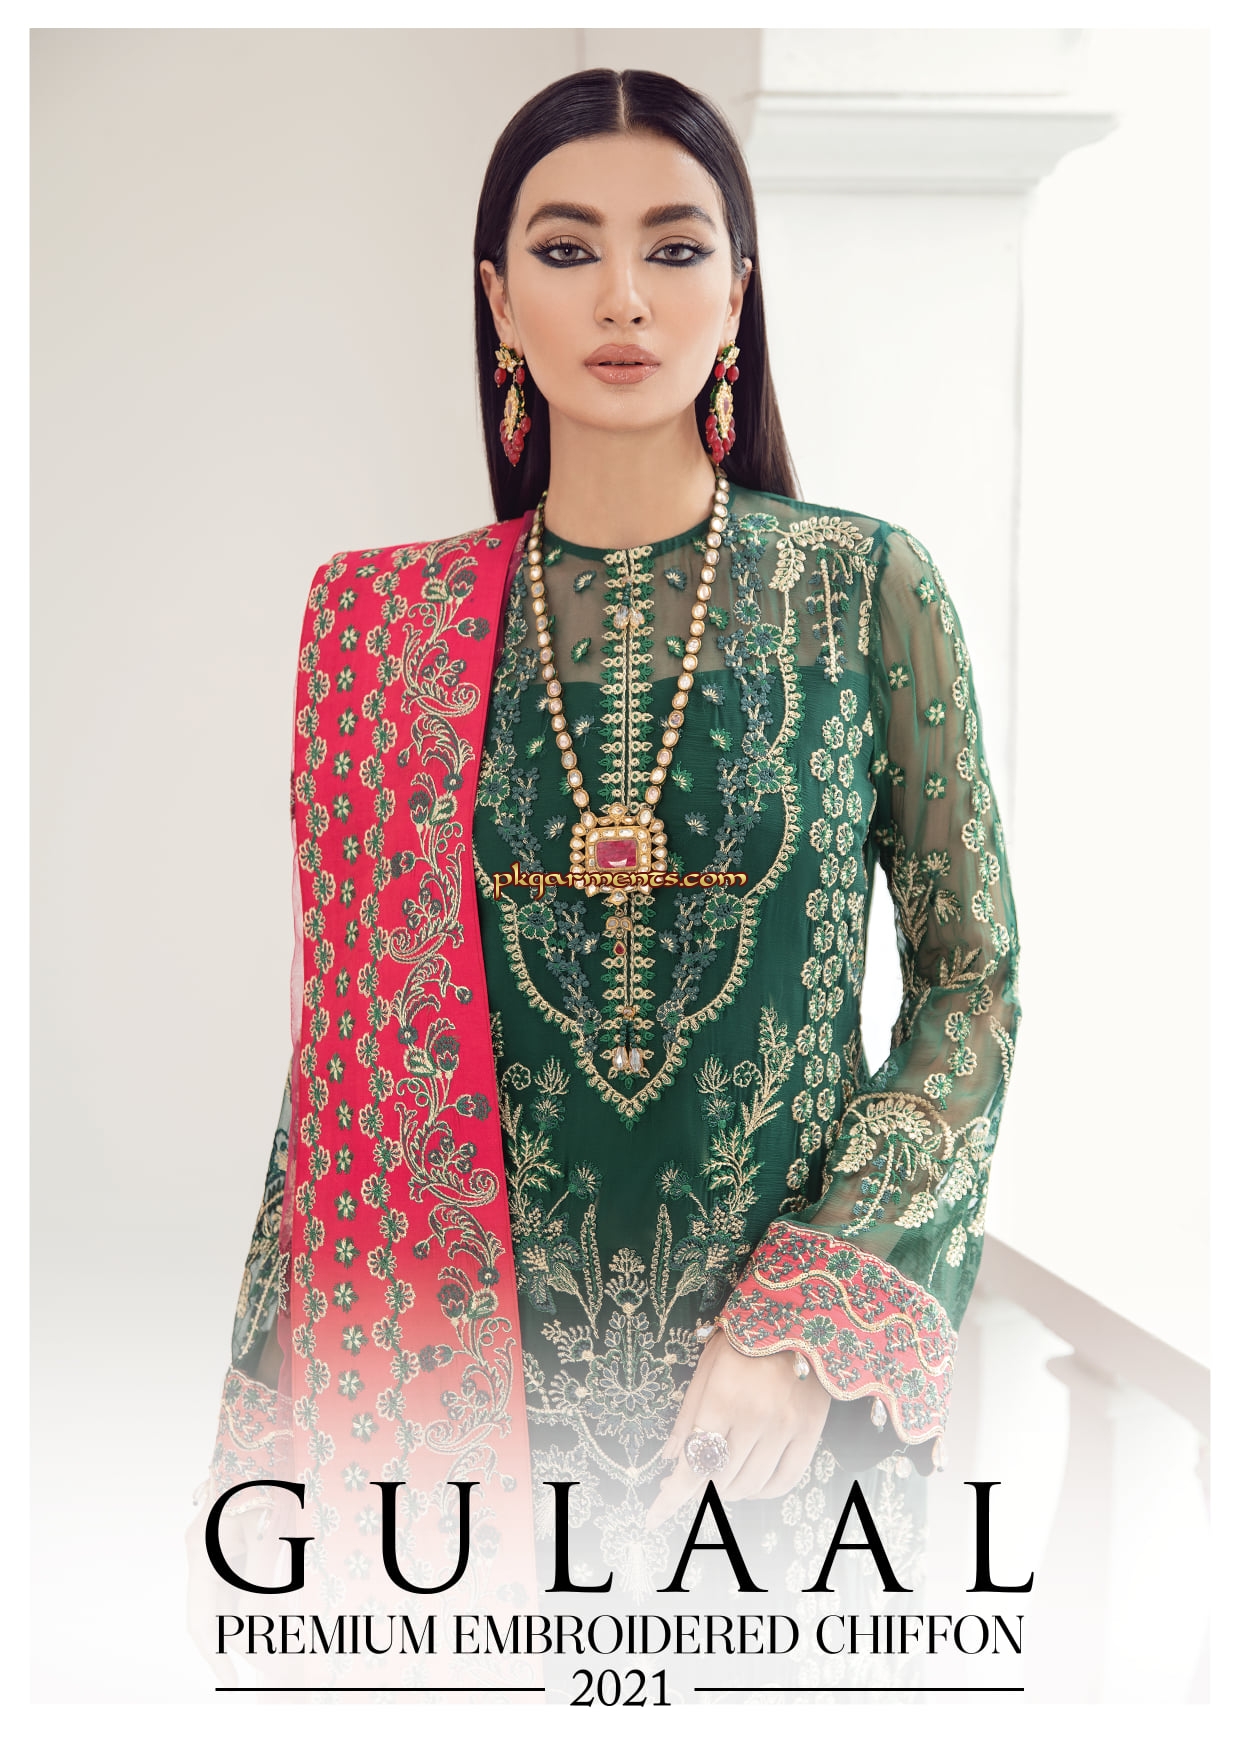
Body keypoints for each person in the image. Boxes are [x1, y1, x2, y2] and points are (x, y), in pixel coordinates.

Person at [199, 66, 1021, 1671]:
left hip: (775, 1421)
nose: (626, 297)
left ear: (740, 291)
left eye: (676, 247)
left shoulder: (864, 589)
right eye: (568, 250)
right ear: (499, 299)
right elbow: (342, 1081)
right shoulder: (378, 630)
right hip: (454, 1411)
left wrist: (816, 1313)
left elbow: (970, 983)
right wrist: (260, 1444)